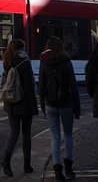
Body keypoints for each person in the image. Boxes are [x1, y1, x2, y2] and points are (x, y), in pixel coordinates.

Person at [38, 36, 80, 180]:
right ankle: (69, 168)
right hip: (66, 103)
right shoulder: (66, 61)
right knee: (68, 135)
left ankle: (57, 170)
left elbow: (41, 85)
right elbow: (73, 86)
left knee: (55, 137)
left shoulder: (44, 62)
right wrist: (77, 107)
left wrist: (42, 104)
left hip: (50, 104)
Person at [0, 38, 38, 177]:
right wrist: (34, 106)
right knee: (26, 135)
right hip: (24, 103)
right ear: (22, 49)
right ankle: (27, 165)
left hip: (11, 102)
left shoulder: (7, 61)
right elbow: (29, 87)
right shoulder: (25, 62)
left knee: (14, 133)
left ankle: (6, 161)